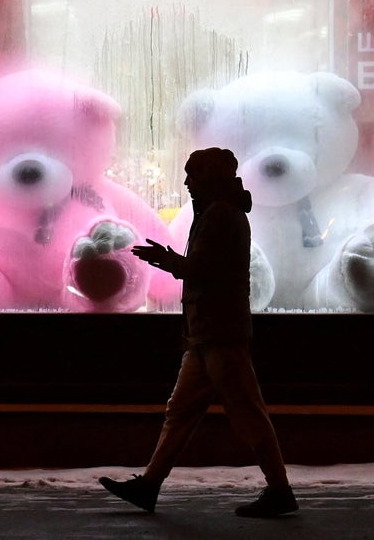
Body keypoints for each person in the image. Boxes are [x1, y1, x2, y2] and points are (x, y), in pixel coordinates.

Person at [99, 147, 297, 519]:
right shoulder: (220, 211)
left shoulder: (221, 214)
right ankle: (149, 485)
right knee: (182, 412)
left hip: (219, 332)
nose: (188, 182)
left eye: (194, 175)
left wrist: (169, 262)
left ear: (212, 177)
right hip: (209, 334)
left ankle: (280, 489)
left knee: (246, 413)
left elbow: (206, 269)